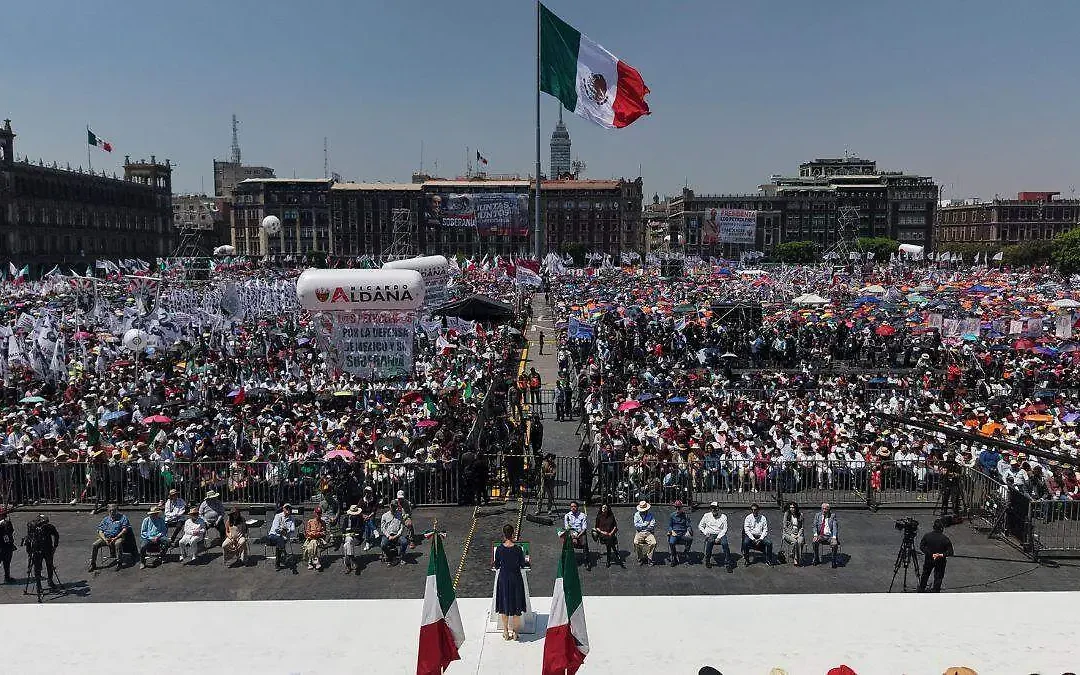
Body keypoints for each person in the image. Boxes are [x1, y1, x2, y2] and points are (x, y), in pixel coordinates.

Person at [494, 523, 528, 641]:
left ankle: (505, 631)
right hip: (515, 579)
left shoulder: (499, 549)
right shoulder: (518, 549)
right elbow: (523, 564)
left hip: (503, 579)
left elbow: (497, 565)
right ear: (513, 534)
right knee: (516, 606)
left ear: (504, 534)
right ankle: (515, 632)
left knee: (504, 605)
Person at [89, 503, 131, 571]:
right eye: (110, 510)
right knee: (95, 545)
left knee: (118, 543)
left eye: (114, 510)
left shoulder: (123, 518)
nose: (112, 512)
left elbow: (124, 529)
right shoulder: (105, 519)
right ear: (108, 511)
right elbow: (100, 530)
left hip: (117, 537)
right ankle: (93, 564)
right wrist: (105, 539)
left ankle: (119, 562)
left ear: (117, 510)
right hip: (106, 537)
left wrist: (116, 537)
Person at [23, 514, 59, 594]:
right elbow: (28, 538)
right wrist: (29, 551)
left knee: (49, 565)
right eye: (43, 522)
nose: (44, 524)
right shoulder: (33, 526)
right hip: (37, 550)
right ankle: (38, 585)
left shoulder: (49, 527)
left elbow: (56, 535)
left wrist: (55, 546)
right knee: (37, 568)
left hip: (47, 549)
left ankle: (50, 580)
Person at [918, 519, 953, 592]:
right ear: (942, 528)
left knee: (925, 575)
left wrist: (929, 553)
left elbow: (922, 546)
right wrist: (940, 555)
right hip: (940, 561)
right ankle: (936, 591)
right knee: (938, 577)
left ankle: (921, 589)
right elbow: (950, 552)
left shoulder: (927, 536)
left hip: (929, 559)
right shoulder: (945, 539)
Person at [698, 501, 731, 571]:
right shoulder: (706, 515)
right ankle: (707, 560)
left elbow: (725, 529)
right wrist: (705, 532)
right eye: (712, 508)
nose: (714, 510)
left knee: (725, 544)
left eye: (715, 508)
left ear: (718, 508)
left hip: (720, 534)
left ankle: (728, 563)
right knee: (709, 542)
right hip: (710, 533)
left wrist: (719, 537)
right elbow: (700, 526)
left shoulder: (723, 516)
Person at [266, 503, 297, 570]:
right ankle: (284, 555)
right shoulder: (278, 516)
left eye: (289, 508)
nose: (288, 510)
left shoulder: (292, 518)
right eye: (286, 508)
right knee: (280, 540)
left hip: (283, 538)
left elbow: (293, 529)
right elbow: (276, 529)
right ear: (283, 509)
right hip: (273, 536)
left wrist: (284, 529)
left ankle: (278, 564)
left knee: (280, 541)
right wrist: (286, 530)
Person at [564, 500, 590, 570]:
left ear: (577, 507)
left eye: (575, 506)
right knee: (568, 543)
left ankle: (586, 561)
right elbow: (567, 528)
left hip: (580, 532)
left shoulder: (582, 515)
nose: (573, 508)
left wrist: (578, 536)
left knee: (584, 543)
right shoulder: (567, 516)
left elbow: (584, 528)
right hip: (571, 532)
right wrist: (573, 536)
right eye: (572, 506)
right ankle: (569, 560)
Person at [812, 502, 840, 567]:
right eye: (823, 509)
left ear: (828, 509)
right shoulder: (817, 515)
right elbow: (814, 526)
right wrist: (815, 535)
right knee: (814, 542)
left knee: (835, 544)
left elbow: (835, 527)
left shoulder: (832, 516)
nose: (824, 510)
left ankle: (834, 560)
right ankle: (816, 558)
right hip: (821, 535)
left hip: (830, 536)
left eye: (826, 509)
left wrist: (834, 537)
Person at [592, 502, 620, 567]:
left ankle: (609, 559)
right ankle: (610, 556)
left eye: (605, 507)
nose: (604, 508)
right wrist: (602, 532)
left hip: (611, 533)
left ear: (608, 509)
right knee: (609, 540)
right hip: (602, 534)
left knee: (609, 540)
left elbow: (615, 526)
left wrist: (611, 533)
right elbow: (596, 527)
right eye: (603, 507)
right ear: (601, 508)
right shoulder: (599, 516)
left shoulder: (611, 516)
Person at [667, 499, 693, 566]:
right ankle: (674, 557)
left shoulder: (685, 516)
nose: (678, 509)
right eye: (676, 508)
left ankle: (685, 552)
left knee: (690, 539)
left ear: (682, 507)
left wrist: (688, 530)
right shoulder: (672, 515)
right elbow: (670, 526)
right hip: (675, 533)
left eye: (679, 507)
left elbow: (688, 525)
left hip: (683, 533)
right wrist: (672, 531)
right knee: (671, 542)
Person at [303, 505, 328, 571]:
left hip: (320, 540)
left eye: (320, 513)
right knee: (313, 543)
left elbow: (324, 533)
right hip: (310, 539)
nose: (318, 515)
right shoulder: (310, 522)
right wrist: (314, 534)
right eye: (317, 513)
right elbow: (307, 533)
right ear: (314, 513)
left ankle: (310, 562)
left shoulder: (323, 522)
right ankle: (316, 562)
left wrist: (316, 534)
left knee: (313, 543)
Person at [341, 504, 365, 574]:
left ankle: (348, 565)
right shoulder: (346, 519)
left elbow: (361, 529)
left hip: (356, 537)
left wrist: (351, 530)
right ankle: (352, 559)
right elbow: (343, 529)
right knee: (348, 541)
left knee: (346, 545)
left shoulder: (360, 519)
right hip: (347, 536)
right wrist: (346, 532)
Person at [633, 500, 658, 565]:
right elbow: (636, 526)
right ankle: (640, 558)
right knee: (636, 542)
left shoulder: (650, 515)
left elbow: (652, 525)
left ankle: (649, 558)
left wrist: (643, 527)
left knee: (653, 543)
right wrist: (645, 524)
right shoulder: (636, 515)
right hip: (639, 533)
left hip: (648, 533)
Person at [782, 502, 805, 566]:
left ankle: (796, 557)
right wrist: (791, 534)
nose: (792, 509)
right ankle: (796, 559)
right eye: (791, 507)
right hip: (788, 533)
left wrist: (798, 535)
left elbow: (802, 527)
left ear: (796, 508)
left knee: (800, 541)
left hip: (798, 533)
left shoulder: (800, 515)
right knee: (795, 541)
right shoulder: (786, 514)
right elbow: (784, 527)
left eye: (793, 507)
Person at [0, 507, 14, 582]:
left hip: (7, 545)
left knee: (7, 562)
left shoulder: (7, 522)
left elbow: (11, 530)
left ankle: (7, 577)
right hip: (1, 546)